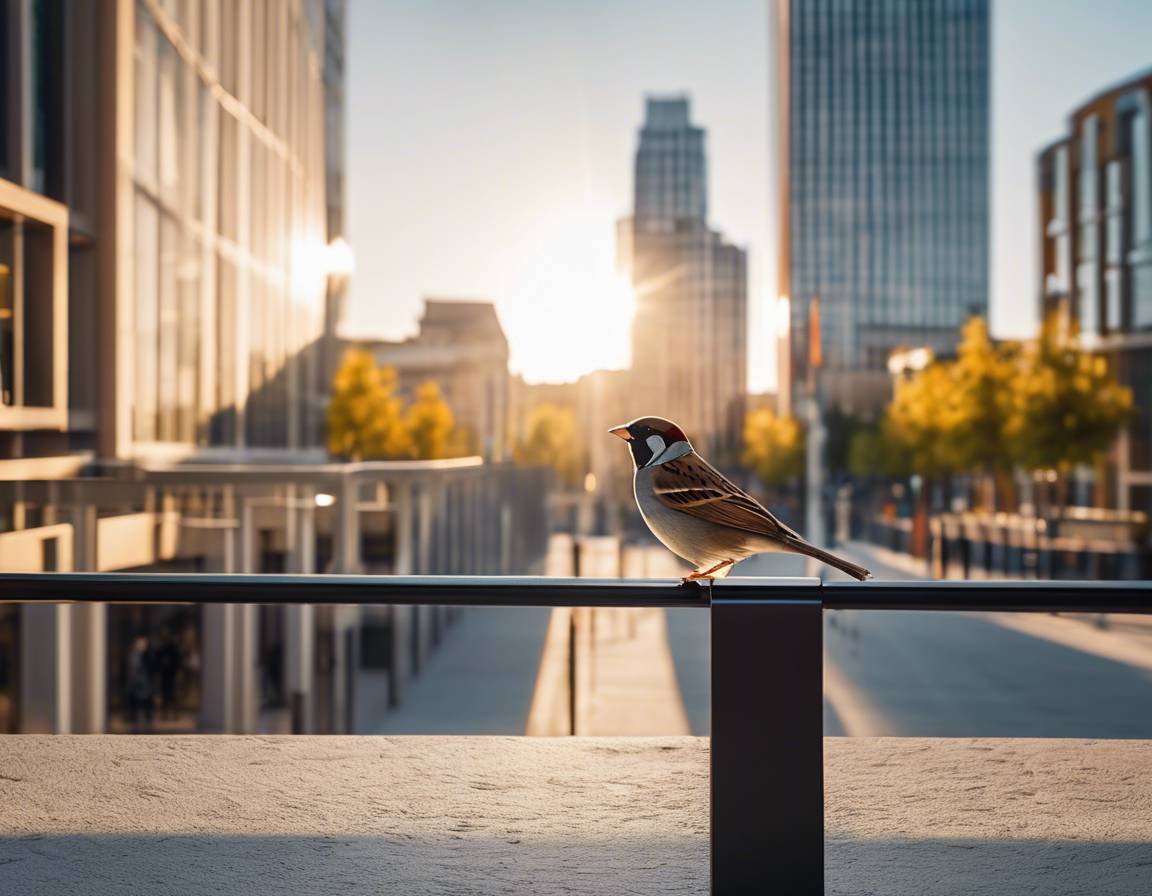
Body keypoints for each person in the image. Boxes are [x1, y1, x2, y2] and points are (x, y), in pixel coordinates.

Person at [126, 635, 154, 731]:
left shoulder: (148, 655)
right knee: (135, 702)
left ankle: (147, 722)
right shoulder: (132, 654)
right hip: (135, 683)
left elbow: (151, 668)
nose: (141, 645)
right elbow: (130, 669)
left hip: (145, 682)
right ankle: (135, 722)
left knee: (146, 702)